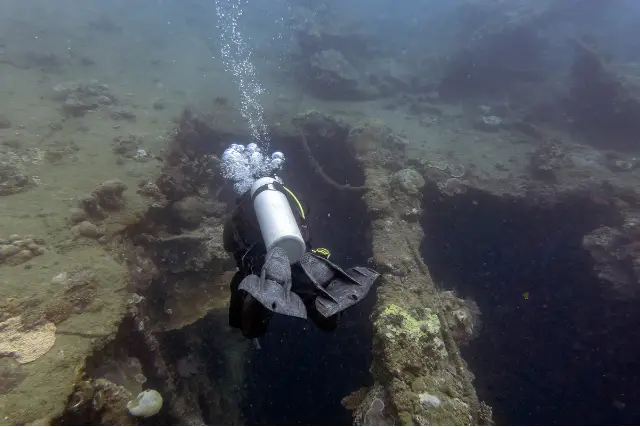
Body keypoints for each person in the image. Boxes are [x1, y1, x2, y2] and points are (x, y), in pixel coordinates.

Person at [223, 177, 379, 339]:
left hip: (260, 267)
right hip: (297, 260)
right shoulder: (288, 197)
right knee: (315, 299)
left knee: (250, 319)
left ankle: (259, 311)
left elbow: (230, 246)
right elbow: (304, 222)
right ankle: (326, 311)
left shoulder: (235, 216)